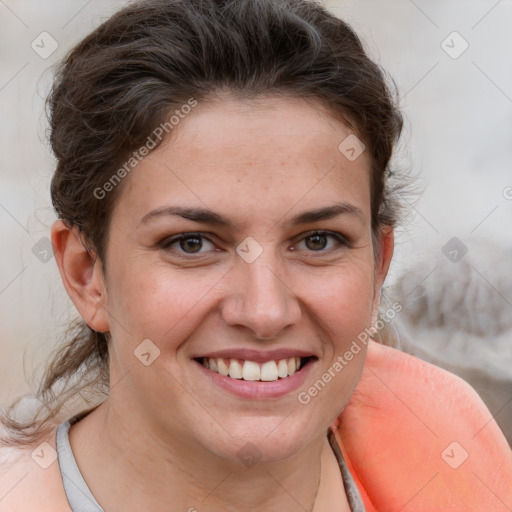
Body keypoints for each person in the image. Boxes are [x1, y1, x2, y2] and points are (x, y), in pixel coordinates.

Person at [0, 0, 510, 510]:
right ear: (87, 275)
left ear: (378, 267)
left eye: (318, 240)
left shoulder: (447, 439)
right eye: (192, 244)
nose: (265, 312)